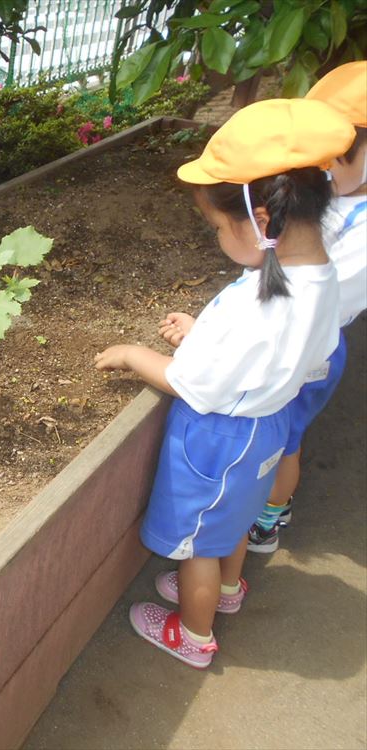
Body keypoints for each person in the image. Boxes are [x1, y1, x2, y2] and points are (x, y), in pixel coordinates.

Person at [94, 98, 354, 668]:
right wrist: (206, 334)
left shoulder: (259, 308)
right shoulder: (322, 275)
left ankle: (193, 634)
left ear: (261, 223)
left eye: (216, 225)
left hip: (219, 442)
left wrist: (135, 354)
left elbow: (193, 385)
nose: (216, 236)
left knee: (196, 548)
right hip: (269, 427)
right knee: (233, 521)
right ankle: (230, 591)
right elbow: (278, 353)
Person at [247, 61, 367, 552]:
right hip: (285, 331)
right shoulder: (329, 192)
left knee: (284, 436)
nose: (319, 165)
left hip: (311, 347)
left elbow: (326, 295)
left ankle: (272, 514)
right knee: (272, 428)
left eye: (335, 155)